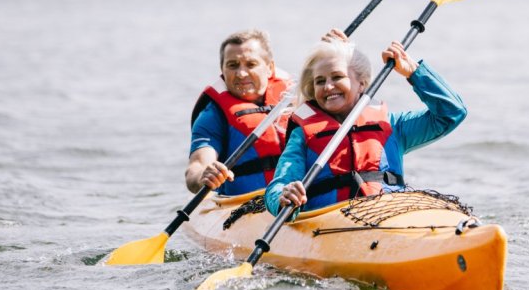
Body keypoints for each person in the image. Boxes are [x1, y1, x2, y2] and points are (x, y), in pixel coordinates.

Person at [264, 31, 467, 215]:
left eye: (337, 77)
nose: (328, 86)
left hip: (391, 216)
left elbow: (451, 113)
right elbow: (278, 185)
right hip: (329, 225)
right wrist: (283, 196)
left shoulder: (392, 126)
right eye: (320, 81)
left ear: (361, 83)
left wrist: (413, 72)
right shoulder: (303, 135)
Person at [185, 29, 293, 196]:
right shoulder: (212, 116)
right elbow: (196, 167)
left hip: (298, 199)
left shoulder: (295, 99)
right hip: (245, 205)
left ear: (270, 68)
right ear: (222, 69)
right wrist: (203, 176)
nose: (241, 74)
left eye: (251, 64)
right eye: (232, 65)